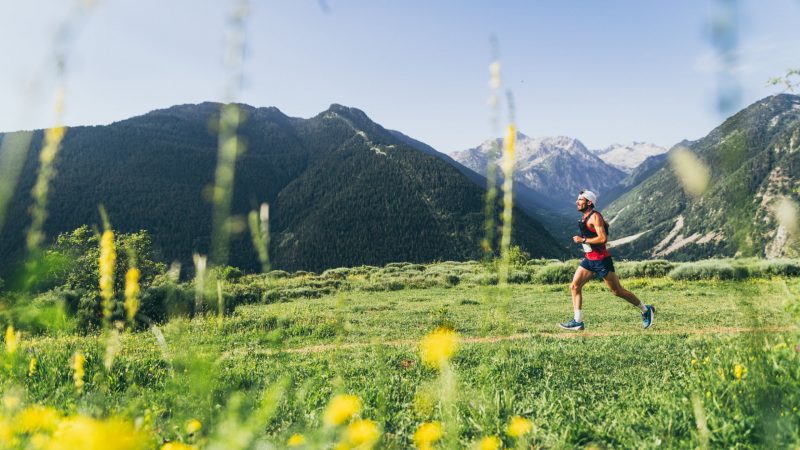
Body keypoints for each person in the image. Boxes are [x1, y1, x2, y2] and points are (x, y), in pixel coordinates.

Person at [558, 189, 655, 331]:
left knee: (617, 291)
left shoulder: (595, 217)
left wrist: (583, 240)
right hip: (589, 259)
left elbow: (603, 238)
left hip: (601, 260)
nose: (577, 202)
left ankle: (646, 310)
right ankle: (578, 321)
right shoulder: (586, 216)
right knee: (574, 286)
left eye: (580, 200)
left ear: (589, 202)